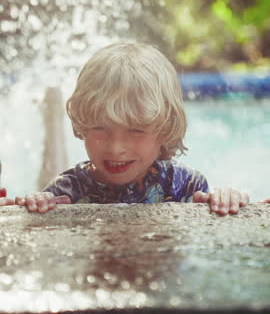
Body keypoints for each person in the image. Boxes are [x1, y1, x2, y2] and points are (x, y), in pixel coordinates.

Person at [0, 41, 250, 214]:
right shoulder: (69, 187)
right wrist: (38, 203)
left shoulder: (185, 185)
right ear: (83, 124)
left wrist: (226, 199)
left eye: (136, 130)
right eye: (99, 127)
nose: (116, 147)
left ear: (165, 128)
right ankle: (52, 118)